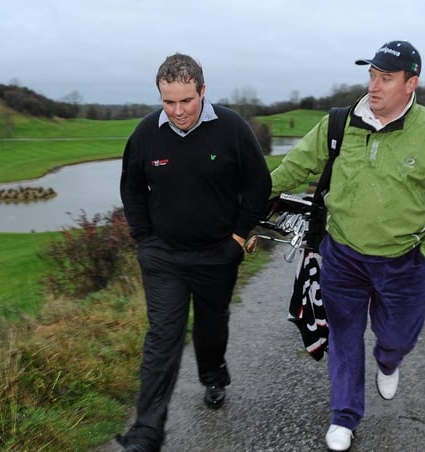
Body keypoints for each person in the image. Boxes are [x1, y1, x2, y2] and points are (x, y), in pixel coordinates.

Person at [269, 40, 425, 451]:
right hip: (342, 255)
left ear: (410, 83)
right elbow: (295, 167)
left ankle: (389, 359)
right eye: (371, 75)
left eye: (386, 77)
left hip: (406, 262)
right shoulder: (339, 123)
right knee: (345, 336)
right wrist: (247, 194)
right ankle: (344, 417)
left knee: (396, 336)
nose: (374, 85)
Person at [118, 53, 272, 451]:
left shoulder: (232, 129)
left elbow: (258, 186)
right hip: (163, 257)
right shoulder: (146, 134)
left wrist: (238, 238)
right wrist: (143, 239)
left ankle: (214, 374)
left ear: (203, 91)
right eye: (168, 102)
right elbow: (132, 188)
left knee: (210, 330)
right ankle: (146, 433)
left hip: (216, 256)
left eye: (186, 101)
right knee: (163, 338)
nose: (178, 111)